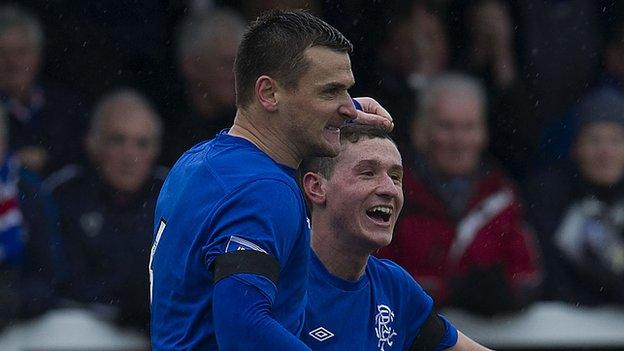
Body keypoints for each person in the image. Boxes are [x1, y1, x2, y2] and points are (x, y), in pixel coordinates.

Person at [150, 9, 392, 350]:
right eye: (330, 92)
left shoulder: (197, 162)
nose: (348, 108)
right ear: (268, 93)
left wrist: (341, 108)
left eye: (346, 91)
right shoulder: (263, 190)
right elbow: (243, 328)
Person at [300, 124, 491, 350]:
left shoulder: (394, 287)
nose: (389, 189)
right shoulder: (281, 277)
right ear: (316, 187)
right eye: (368, 173)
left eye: (395, 177)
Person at [377, 73, 541, 316]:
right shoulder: (388, 191)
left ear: (483, 134)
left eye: (469, 127)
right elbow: (373, 278)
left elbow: (529, 278)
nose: (459, 140)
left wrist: (505, 293)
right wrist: (449, 291)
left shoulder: (502, 196)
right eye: (447, 126)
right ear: (419, 131)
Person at [48, 88, 166, 332]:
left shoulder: (174, 195)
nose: (130, 155)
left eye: (142, 143)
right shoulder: (62, 194)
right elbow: (57, 280)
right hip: (78, 334)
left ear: (155, 151)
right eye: (117, 140)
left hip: (157, 333)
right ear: (92, 143)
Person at [526, 88, 624, 305]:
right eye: (594, 140)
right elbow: (549, 272)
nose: (605, 152)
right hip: (559, 328)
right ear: (575, 148)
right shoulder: (548, 194)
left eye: (616, 141)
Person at [0, 4, 87, 175]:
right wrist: (14, 160)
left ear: (38, 55)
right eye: (2, 53)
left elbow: (85, 155)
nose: (12, 62)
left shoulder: (68, 106)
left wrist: (48, 159)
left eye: (21, 52)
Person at [162, 9, 247, 165]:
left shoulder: (252, 128)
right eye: (227, 63)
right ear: (191, 65)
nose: (237, 75)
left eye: (242, 64)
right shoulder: (158, 129)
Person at [0, 106, 59, 330]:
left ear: (4, 144)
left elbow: (50, 279)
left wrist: (10, 299)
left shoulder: (29, 192)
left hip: (17, 330)